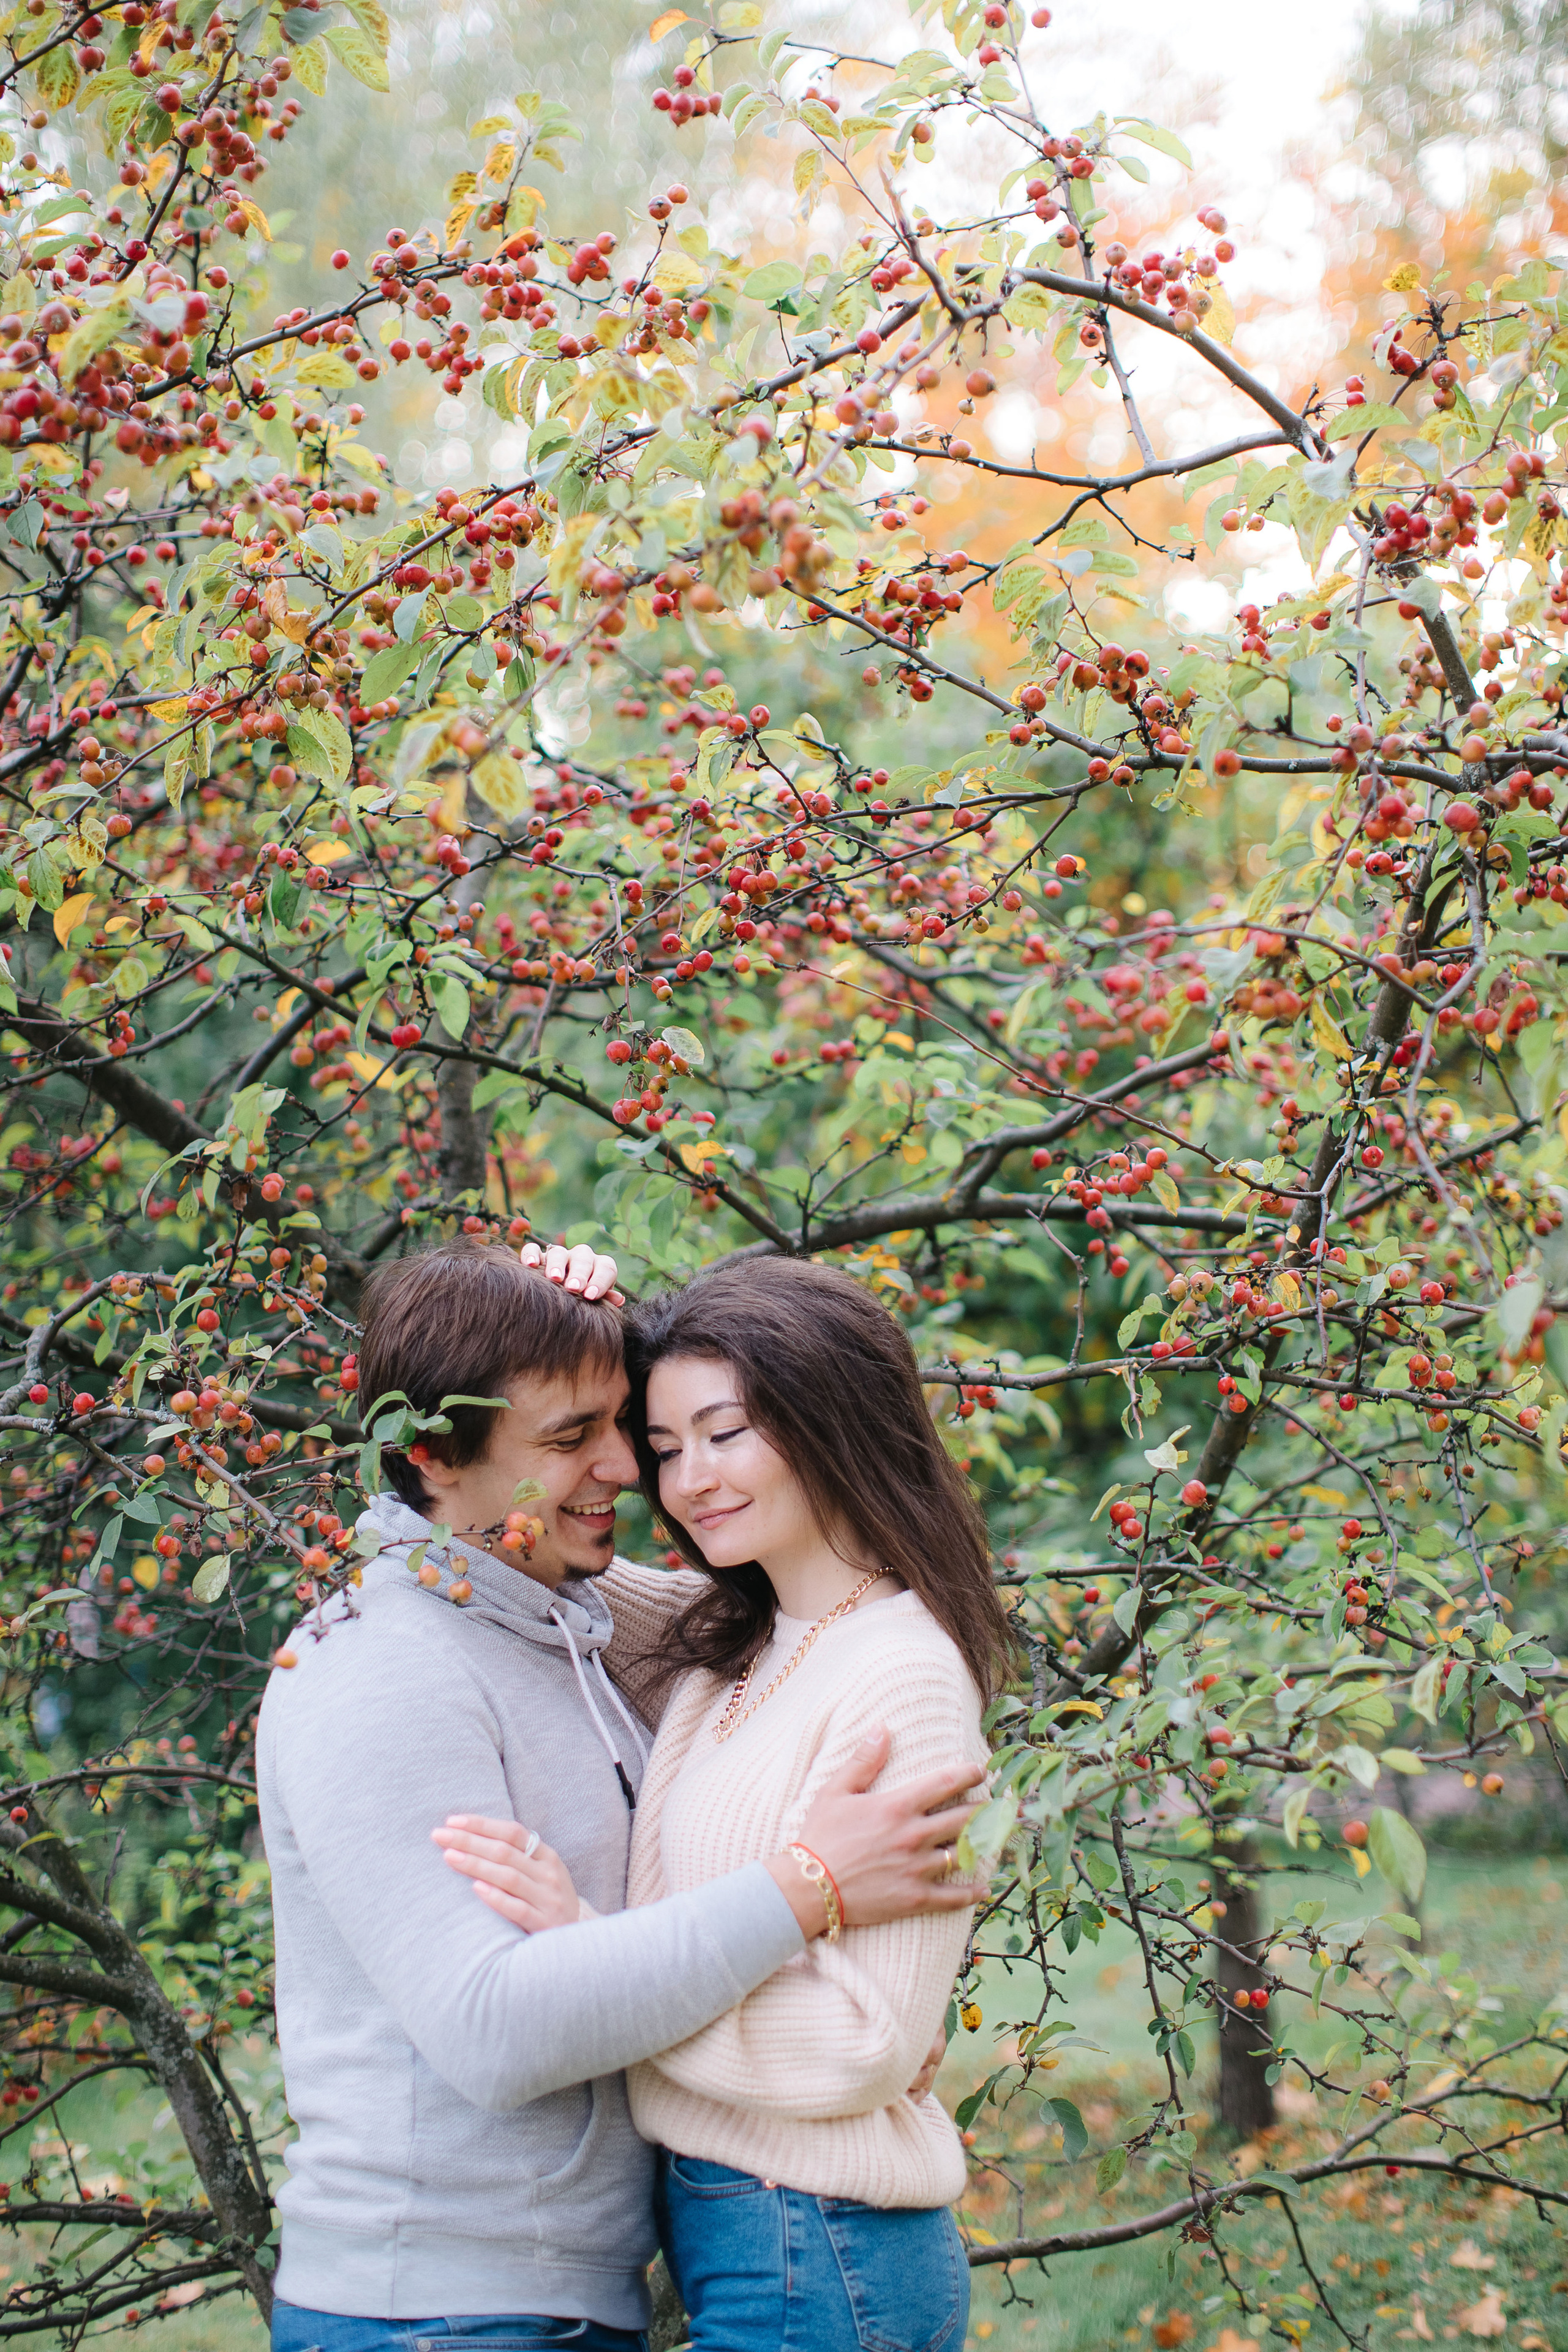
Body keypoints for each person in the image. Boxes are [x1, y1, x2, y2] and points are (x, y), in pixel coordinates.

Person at [258, 1240, 985, 2352]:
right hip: (446, 2307)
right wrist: (799, 1892)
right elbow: (499, 2029)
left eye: (628, 1428)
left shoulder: (626, 1636)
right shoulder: (385, 1667)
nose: (642, 1473)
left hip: (701, 2261)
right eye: (585, 1438)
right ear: (431, 1457)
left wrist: (573, 1311)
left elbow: (858, 2037)